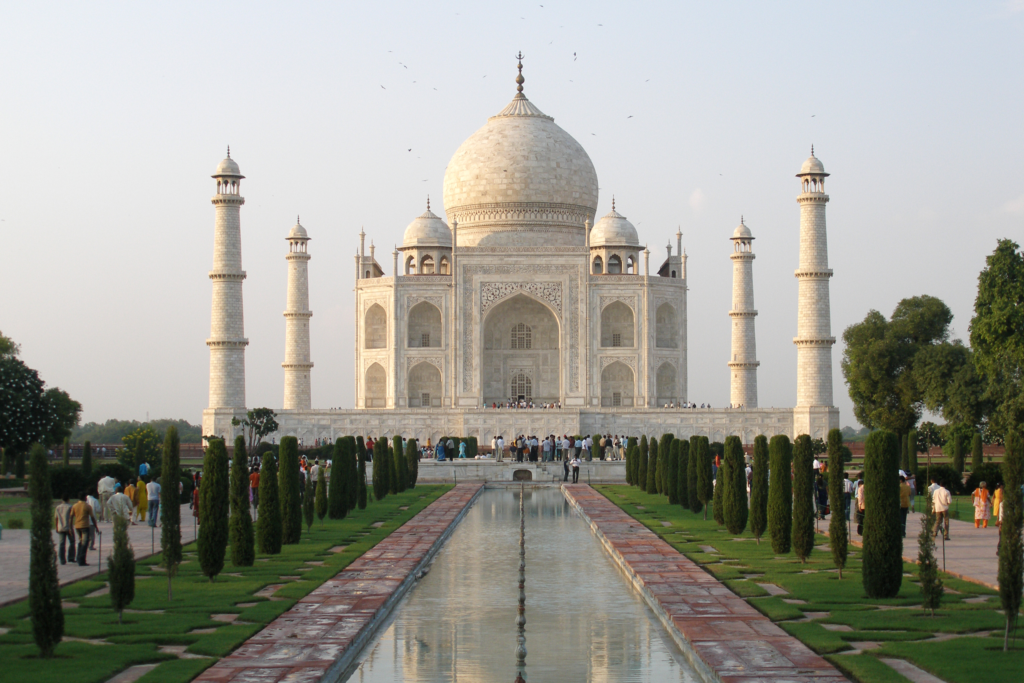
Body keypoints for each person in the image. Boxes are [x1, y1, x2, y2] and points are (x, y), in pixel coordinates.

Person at [71, 491, 98, 566]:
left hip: (77, 526)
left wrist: (70, 527)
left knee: (80, 542)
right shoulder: (87, 506)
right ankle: (81, 560)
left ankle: (78, 557)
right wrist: (96, 527)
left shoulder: (75, 506)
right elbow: (92, 518)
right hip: (85, 526)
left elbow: (71, 517)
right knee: (85, 543)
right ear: (85, 498)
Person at [54, 495, 73, 565]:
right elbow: (71, 518)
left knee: (62, 544)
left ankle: (62, 559)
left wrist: (56, 527)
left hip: (60, 527)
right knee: (72, 542)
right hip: (68, 527)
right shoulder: (70, 507)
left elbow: (56, 518)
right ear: (68, 499)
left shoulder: (58, 507)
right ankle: (71, 557)